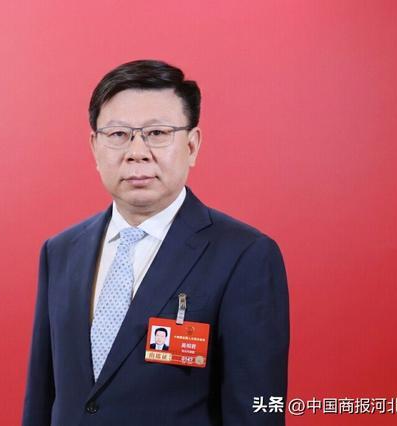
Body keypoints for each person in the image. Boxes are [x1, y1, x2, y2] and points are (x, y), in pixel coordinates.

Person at [22, 59, 289, 426]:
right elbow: (42, 397)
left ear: (192, 146)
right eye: (118, 134)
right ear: (94, 147)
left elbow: (256, 411)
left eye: (157, 133)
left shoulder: (245, 256)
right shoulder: (61, 252)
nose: (137, 151)